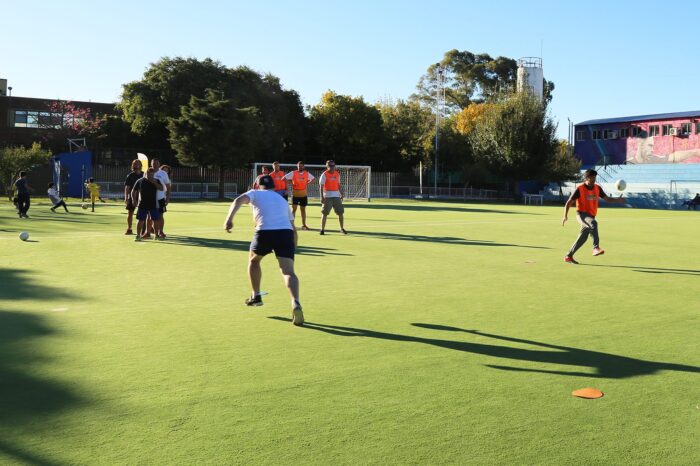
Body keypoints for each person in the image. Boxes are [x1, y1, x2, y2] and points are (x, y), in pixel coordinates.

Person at [223, 174, 304, 326]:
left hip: (264, 232)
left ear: (257, 185)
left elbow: (238, 200)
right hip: (285, 234)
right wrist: (294, 244)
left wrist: (229, 219)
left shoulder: (254, 193)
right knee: (288, 272)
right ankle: (295, 302)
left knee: (254, 261)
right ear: (274, 186)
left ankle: (256, 296)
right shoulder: (281, 200)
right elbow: (293, 228)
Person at [562, 169, 626, 263]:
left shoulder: (597, 188)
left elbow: (607, 199)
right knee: (593, 223)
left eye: (595, 177)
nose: (593, 179)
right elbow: (569, 202)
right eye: (591, 177)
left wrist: (617, 200)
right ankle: (596, 248)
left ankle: (568, 256)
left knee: (583, 238)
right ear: (586, 178)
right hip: (582, 214)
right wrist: (565, 216)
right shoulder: (580, 189)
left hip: (591, 216)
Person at [131, 168, 164, 242]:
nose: (150, 176)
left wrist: (154, 182)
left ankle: (156, 235)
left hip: (153, 204)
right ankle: (138, 235)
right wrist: (134, 199)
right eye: (149, 174)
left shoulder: (156, 180)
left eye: (152, 174)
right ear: (146, 174)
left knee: (156, 220)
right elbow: (133, 191)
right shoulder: (140, 181)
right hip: (142, 204)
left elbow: (162, 188)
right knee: (140, 220)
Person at [284, 161, 315, 230]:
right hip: (295, 195)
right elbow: (283, 178)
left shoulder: (307, 173)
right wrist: (291, 183)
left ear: (303, 167)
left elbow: (314, 179)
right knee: (294, 210)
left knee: (303, 210)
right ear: (297, 166)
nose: (300, 167)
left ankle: (304, 225)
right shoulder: (293, 173)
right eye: (298, 166)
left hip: (303, 195)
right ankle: (291, 225)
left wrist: (307, 183)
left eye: (301, 166)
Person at [319, 160, 347, 235]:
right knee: (325, 213)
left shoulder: (337, 174)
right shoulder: (324, 175)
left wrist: (341, 193)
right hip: (327, 197)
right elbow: (321, 187)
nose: (332, 167)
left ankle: (341, 228)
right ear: (327, 166)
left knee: (340, 212)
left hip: (336, 196)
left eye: (333, 165)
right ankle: (322, 229)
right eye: (330, 166)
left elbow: (338, 185)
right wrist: (322, 197)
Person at [150, 158, 171, 238]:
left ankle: (161, 231)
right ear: (151, 164)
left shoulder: (163, 173)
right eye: (153, 163)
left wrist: (168, 197)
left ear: (159, 164)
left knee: (160, 216)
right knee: (150, 216)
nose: (155, 164)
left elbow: (168, 186)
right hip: (150, 199)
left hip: (161, 198)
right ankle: (149, 231)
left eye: (156, 163)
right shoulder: (147, 172)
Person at [123, 159, 143, 234]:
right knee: (130, 213)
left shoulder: (144, 175)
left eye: (137, 163)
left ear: (141, 165)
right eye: (134, 164)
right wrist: (126, 197)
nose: (136, 165)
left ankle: (146, 229)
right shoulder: (130, 175)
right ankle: (129, 228)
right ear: (132, 165)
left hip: (142, 197)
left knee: (144, 213)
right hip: (132, 196)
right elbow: (127, 187)